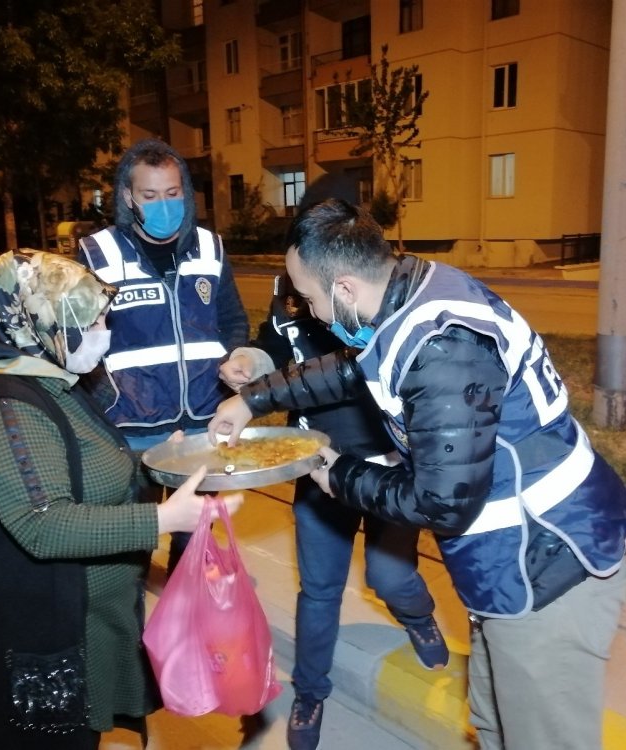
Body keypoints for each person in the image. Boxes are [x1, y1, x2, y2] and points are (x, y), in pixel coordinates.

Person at [207, 200, 626, 750]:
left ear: (343, 288)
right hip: (509, 570)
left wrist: (338, 474)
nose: (310, 313)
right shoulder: (408, 294)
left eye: (311, 299)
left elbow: (442, 503)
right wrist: (254, 399)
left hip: (547, 566)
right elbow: (349, 369)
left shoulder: (444, 349)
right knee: (491, 724)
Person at [0, 250, 243, 750]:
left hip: (83, 618)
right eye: (94, 318)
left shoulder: (52, 381)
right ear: (42, 320)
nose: (106, 329)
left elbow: (82, 464)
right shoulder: (1, 408)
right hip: (35, 630)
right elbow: (45, 522)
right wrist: (166, 517)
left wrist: (162, 461)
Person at [218, 176, 448, 750]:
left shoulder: (378, 290)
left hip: (387, 463)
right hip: (316, 463)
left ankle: (419, 617)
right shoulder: (293, 282)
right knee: (318, 590)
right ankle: (311, 693)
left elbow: (355, 367)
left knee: (390, 574)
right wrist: (250, 361)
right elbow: (277, 341)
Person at [76, 138, 250, 574]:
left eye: (172, 194)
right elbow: (76, 342)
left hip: (201, 423)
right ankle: (125, 635)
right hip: (131, 429)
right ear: (128, 196)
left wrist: (235, 359)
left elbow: (231, 321)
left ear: (186, 193)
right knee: (129, 547)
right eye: (149, 195)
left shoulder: (211, 248)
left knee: (194, 545)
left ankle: (183, 627)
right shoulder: (98, 253)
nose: (163, 205)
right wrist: (102, 403)